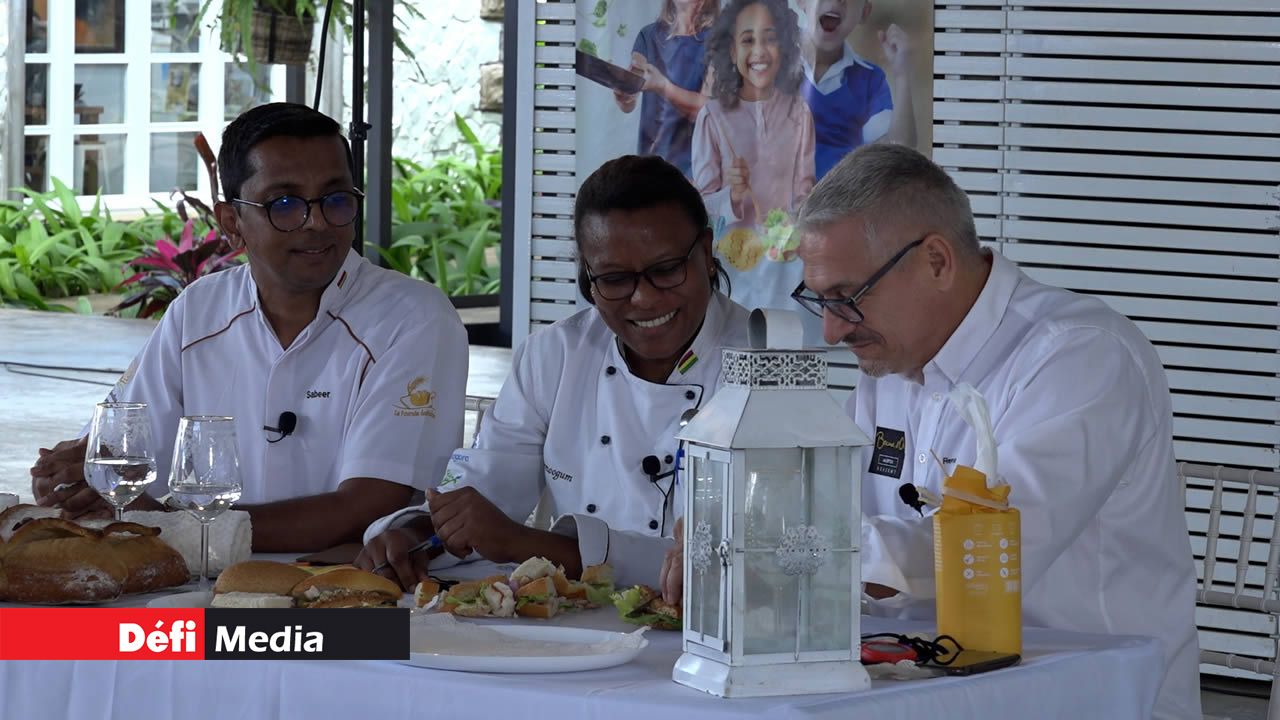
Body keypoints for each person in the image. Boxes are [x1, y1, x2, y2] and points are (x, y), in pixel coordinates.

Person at [787, 144, 1199, 719]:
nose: (831, 331)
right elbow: (825, 502)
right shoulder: (890, 363)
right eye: (819, 301)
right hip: (920, 687)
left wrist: (789, 550)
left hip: (1084, 699)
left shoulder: (1079, 357)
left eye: (847, 299)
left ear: (935, 260)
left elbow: (982, 554)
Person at [29, 103, 469, 553]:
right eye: (285, 204)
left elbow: (367, 507)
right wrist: (74, 477)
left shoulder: (413, 317)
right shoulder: (199, 310)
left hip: (342, 591)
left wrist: (176, 525)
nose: (316, 222)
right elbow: (119, 454)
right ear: (232, 223)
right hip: (195, 581)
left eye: (335, 200)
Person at [356, 155, 750, 590]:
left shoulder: (764, 364)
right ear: (588, 279)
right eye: (615, 279)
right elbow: (485, 490)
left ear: (707, 253)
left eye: (667, 270)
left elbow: (739, 558)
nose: (644, 299)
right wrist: (418, 534)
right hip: (568, 627)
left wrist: (526, 543)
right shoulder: (556, 355)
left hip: (709, 641)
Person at [690, 0, 817, 343]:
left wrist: (799, 225)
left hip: (787, 273)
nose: (759, 50)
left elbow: (806, 191)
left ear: (784, 47)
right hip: (735, 274)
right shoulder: (713, 117)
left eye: (770, 38)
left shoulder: (799, 112)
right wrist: (731, 194)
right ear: (731, 51)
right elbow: (700, 207)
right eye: (747, 40)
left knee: (788, 361)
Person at [797, 0, 917, 178]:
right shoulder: (768, 59)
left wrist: (902, 75)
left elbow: (899, 149)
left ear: (864, 12)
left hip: (838, 199)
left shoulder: (869, 79)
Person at [613, 0, 719, 177]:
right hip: (650, 166)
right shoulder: (648, 35)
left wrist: (663, 86)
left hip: (698, 170)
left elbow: (709, 111)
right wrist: (625, 95)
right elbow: (630, 99)